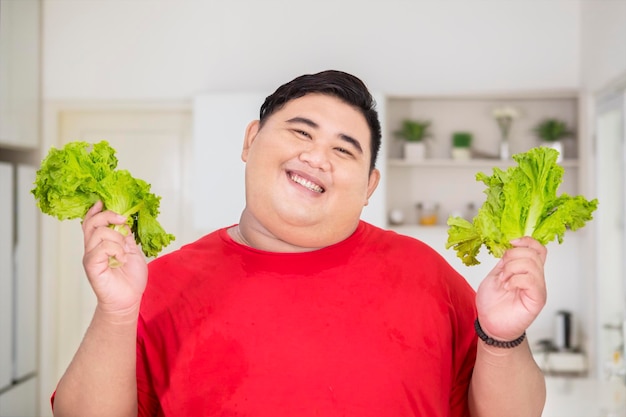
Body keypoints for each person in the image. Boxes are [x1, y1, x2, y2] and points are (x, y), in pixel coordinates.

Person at [51, 70, 547, 417]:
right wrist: (116, 314)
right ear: (250, 141)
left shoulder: (424, 273)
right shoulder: (162, 285)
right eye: (300, 132)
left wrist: (503, 339)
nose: (317, 156)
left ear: (369, 186)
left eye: (343, 150)